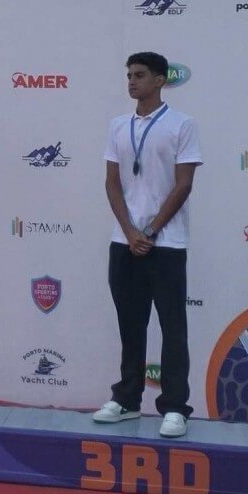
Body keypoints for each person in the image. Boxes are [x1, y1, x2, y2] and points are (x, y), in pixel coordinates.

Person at [93, 52, 202, 438]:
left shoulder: (181, 124)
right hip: (124, 243)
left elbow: (184, 184)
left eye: (139, 75)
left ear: (160, 80)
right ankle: (126, 399)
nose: (132, 81)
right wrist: (130, 231)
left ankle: (175, 407)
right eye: (129, 75)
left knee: (173, 327)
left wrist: (152, 230)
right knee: (130, 324)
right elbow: (112, 183)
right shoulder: (118, 125)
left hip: (166, 244)